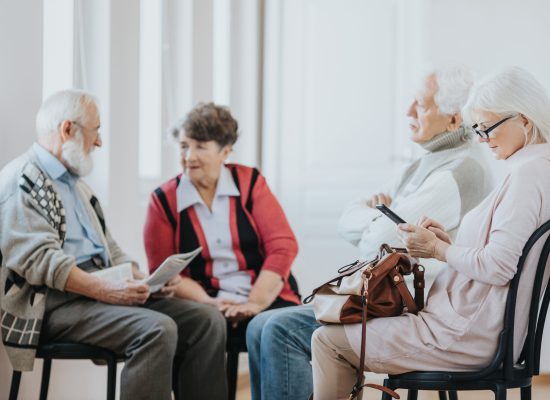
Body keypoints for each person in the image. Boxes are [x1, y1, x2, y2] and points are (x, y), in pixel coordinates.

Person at [246, 66, 493, 400]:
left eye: (420, 104)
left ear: (452, 121)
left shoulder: (460, 172)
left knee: (278, 329)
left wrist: (375, 220)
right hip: (383, 297)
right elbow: (350, 221)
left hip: (412, 305)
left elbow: (379, 240)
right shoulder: (423, 163)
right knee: (260, 325)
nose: (408, 111)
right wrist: (374, 218)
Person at [311, 66, 550, 399]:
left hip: (465, 334)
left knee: (328, 340)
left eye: (488, 128)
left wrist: (438, 251)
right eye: (478, 129)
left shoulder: (527, 176)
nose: (482, 138)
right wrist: (448, 244)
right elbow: (502, 255)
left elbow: (498, 266)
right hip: (476, 326)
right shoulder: (535, 168)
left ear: (524, 120)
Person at [0, 90, 227, 400]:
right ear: (68, 129)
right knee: (157, 329)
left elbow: (111, 250)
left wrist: (144, 279)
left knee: (206, 320)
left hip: (97, 295)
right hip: (54, 304)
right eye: (96, 130)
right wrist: (105, 290)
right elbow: (41, 261)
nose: (99, 142)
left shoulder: (76, 186)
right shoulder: (20, 180)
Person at [143, 103, 300, 345]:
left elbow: (283, 247)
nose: (189, 157)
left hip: (266, 294)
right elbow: (164, 272)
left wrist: (254, 303)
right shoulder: (163, 200)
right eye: (184, 146)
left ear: (225, 152)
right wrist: (209, 303)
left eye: (200, 147)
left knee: (271, 328)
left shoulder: (250, 183)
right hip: (202, 300)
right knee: (203, 323)